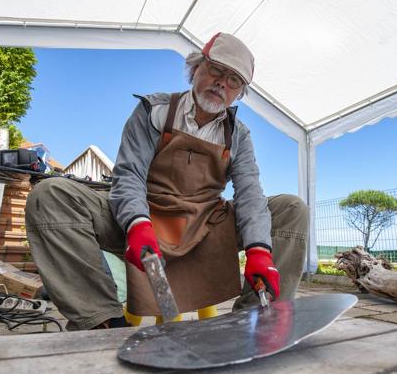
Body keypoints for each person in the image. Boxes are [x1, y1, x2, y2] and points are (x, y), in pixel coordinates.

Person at [25, 32, 309, 330]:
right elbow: (129, 175)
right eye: (216, 70)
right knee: (50, 196)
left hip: (205, 226)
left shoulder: (238, 135)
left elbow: (250, 194)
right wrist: (137, 222)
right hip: (142, 220)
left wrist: (259, 250)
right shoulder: (154, 110)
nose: (222, 83)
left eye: (234, 80)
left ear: (239, 93)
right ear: (196, 67)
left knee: (292, 209)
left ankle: (255, 323)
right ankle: (102, 322)